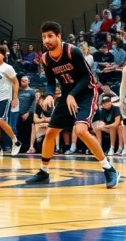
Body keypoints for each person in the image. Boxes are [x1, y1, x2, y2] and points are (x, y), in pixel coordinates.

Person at [25, 21, 119, 188]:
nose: (46, 40)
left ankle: (109, 169)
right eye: (44, 37)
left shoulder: (72, 51)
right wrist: (49, 95)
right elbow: (51, 82)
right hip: (68, 95)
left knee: (81, 130)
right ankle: (43, 172)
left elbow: (87, 78)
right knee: (50, 133)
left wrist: (72, 95)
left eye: (50, 36)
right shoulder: (46, 59)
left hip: (86, 93)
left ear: (59, 36)